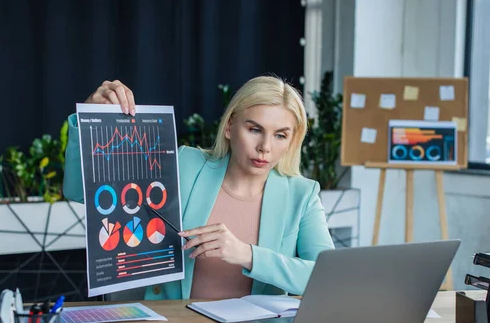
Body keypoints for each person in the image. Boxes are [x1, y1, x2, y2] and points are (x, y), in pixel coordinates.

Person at [63, 76, 334, 300]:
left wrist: (248, 255)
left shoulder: (303, 195)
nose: (265, 147)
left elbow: (328, 278)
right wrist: (88, 117)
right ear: (229, 127)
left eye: (280, 135)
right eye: (254, 129)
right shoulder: (186, 164)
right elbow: (80, 192)